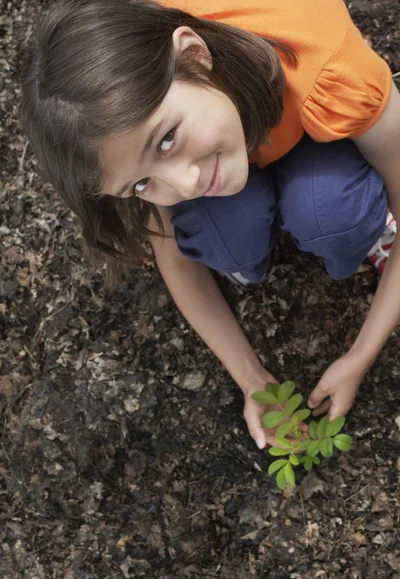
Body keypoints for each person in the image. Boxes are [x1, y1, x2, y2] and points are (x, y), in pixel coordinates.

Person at [20, 0, 400, 450]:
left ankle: (371, 221)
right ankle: (244, 240)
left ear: (194, 56)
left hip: (306, 112)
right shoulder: (133, 112)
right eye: (141, 183)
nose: (185, 181)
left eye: (166, 139)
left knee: (333, 214)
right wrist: (251, 378)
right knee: (228, 240)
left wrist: (358, 359)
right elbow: (177, 263)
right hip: (235, 121)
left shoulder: (331, 71)